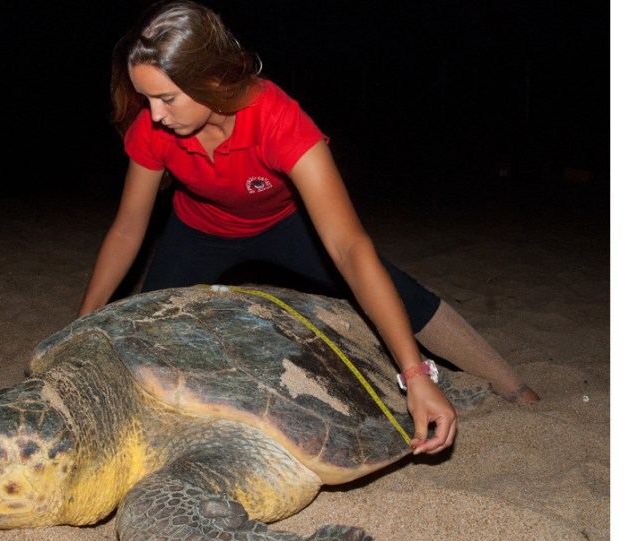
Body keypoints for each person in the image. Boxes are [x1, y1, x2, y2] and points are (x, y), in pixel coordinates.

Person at [78, 0, 538, 456]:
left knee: (395, 289)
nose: (154, 114)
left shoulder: (280, 122)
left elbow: (349, 246)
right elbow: (127, 231)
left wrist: (415, 375)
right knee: (146, 328)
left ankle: (512, 387)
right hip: (200, 227)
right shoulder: (154, 130)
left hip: (283, 223)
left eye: (166, 98)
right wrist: (84, 321)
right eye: (147, 98)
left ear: (213, 79)